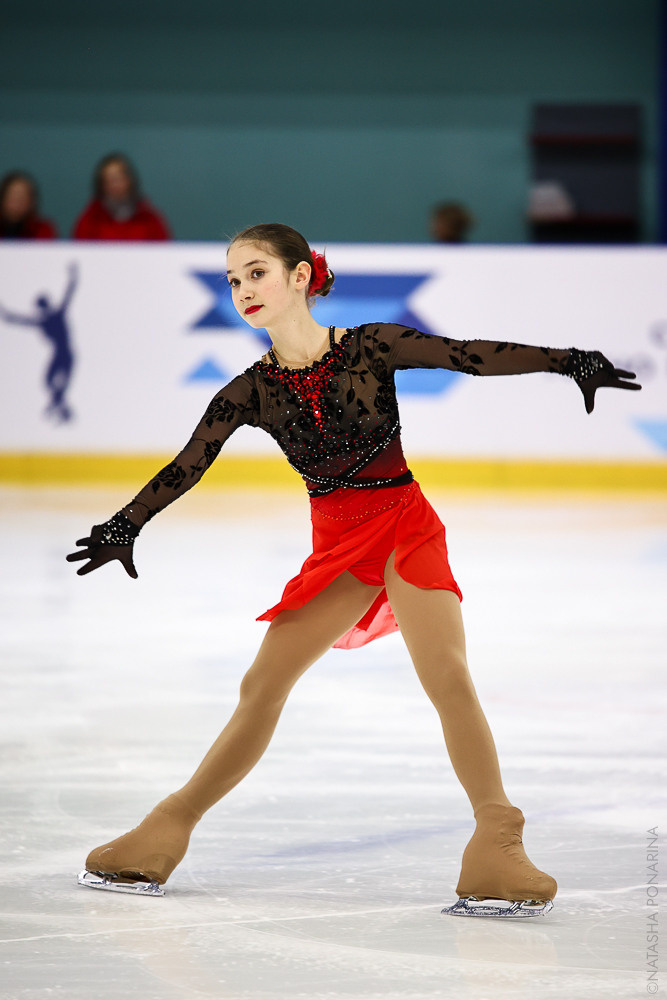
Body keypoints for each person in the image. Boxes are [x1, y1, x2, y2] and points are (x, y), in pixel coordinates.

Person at [67, 223, 640, 915]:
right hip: (336, 546)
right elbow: (188, 464)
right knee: (261, 683)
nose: (243, 290)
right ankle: (167, 829)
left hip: (402, 526)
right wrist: (126, 524)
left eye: (256, 273)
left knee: (446, 673)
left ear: (301, 276)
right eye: (232, 280)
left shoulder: (371, 346)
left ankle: (497, 839)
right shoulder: (247, 392)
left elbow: (467, 355)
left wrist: (567, 360)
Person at [0, 262, 78, 422]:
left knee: (56, 383)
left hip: (66, 353)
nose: (42, 311)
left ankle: (60, 407)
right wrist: (4, 312)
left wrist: (73, 276)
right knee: (49, 382)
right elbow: (16, 320)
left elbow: (69, 293)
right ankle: (59, 406)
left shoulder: (57, 314)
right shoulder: (43, 320)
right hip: (60, 354)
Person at [72, 153, 170, 241]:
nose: (115, 185)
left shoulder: (149, 218)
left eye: (118, 179)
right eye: (109, 181)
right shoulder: (90, 220)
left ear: (129, 180)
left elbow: (163, 252)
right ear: (101, 185)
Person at [0, 171, 57, 239]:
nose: (17, 202)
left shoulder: (42, 229)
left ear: (32, 201)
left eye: (22, 198)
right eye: (13, 197)